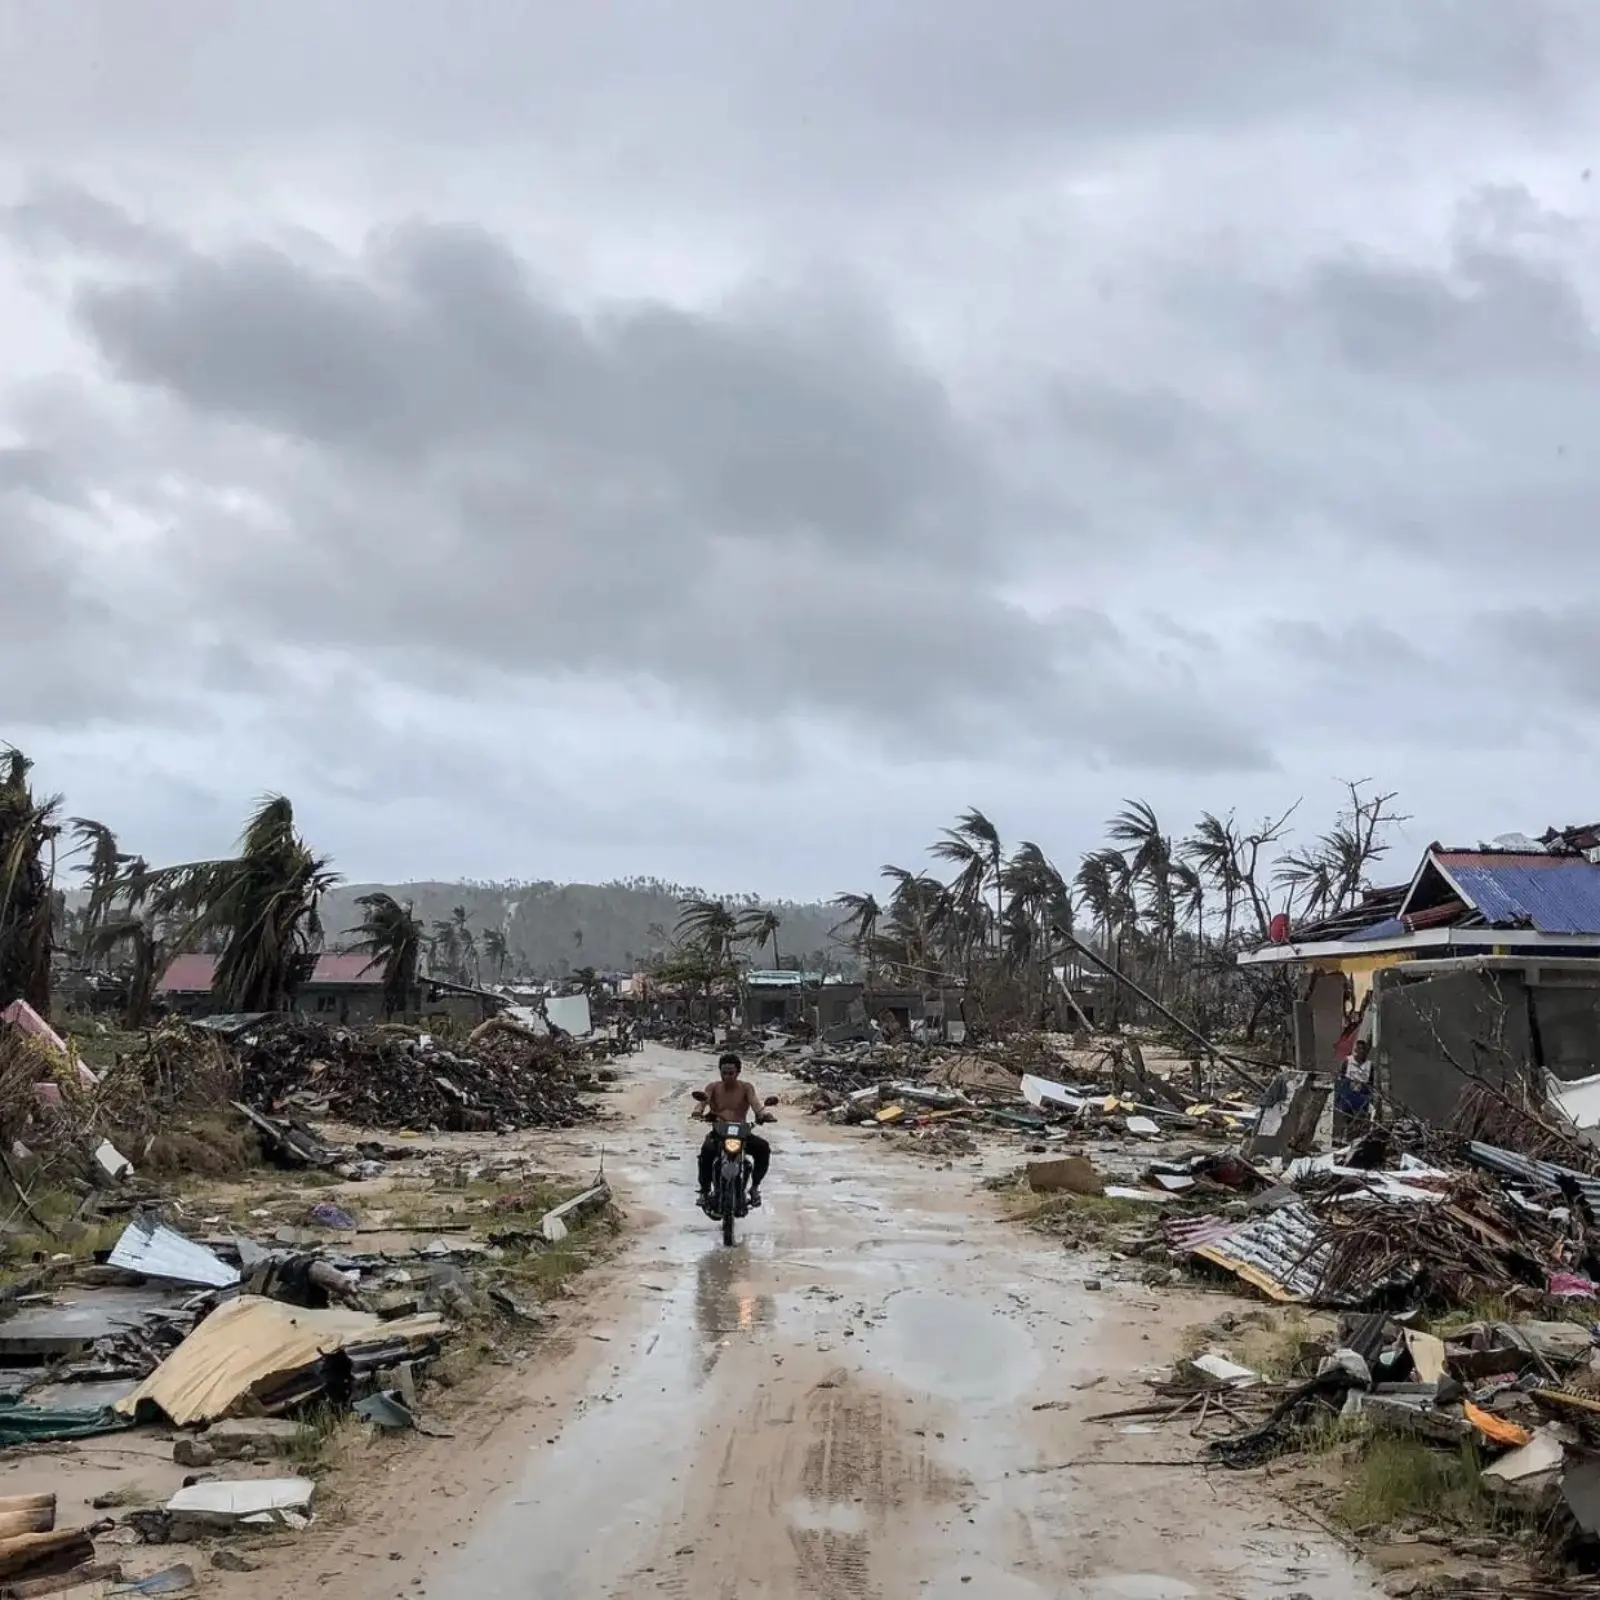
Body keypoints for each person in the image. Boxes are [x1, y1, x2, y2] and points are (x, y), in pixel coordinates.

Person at [697, 1053, 774, 1208]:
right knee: (706, 1152)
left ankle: (754, 1188)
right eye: (724, 1072)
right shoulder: (713, 1087)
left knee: (763, 1148)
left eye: (731, 1073)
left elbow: (756, 1104)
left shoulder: (746, 1088)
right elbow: (702, 1102)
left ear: (738, 1072)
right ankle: (704, 1192)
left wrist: (763, 1114)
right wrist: (697, 1111)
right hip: (719, 1132)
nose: (727, 1076)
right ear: (719, 1071)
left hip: (741, 1132)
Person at [1334, 1037, 1374, 1142]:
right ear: (1355, 1050)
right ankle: (1347, 1139)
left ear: (1366, 1051)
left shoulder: (1369, 1065)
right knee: (1348, 1118)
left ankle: (1357, 1140)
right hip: (1349, 1094)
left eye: (1363, 1049)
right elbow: (1341, 1077)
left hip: (1362, 1095)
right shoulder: (1348, 1061)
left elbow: (1371, 1082)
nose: (1360, 1052)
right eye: (1358, 1049)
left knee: (1360, 1119)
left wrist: (1369, 1094)